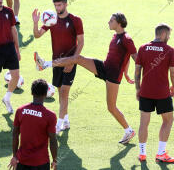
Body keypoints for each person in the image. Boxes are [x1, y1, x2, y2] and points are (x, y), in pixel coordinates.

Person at [35, 12, 137, 144]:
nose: (108, 22)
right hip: (104, 67)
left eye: (111, 20)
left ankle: (129, 130)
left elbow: (135, 57)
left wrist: (137, 76)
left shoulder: (127, 39)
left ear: (119, 23)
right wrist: (126, 73)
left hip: (112, 76)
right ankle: (45, 64)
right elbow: (126, 57)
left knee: (111, 107)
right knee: (78, 58)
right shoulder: (116, 36)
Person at [32, 0, 84, 135]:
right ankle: (66, 120)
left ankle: (58, 125)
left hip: (69, 62)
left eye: (59, 5)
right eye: (55, 5)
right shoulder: (52, 19)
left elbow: (81, 42)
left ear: (66, 4)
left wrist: (73, 61)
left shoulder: (75, 20)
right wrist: (36, 22)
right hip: (56, 63)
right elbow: (37, 35)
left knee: (64, 92)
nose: (57, 8)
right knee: (61, 94)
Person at [135, 23, 174, 162]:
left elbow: (137, 71)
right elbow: (173, 72)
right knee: (168, 120)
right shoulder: (169, 50)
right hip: (162, 93)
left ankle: (142, 153)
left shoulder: (143, 48)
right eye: (169, 35)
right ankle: (160, 153)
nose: (169, 38)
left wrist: (137, 88)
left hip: (145, 92)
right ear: (163, 34)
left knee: (144, 123)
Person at [8, 79, 57, 170]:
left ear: (31, 93)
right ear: (46, 94)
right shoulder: (50, 115)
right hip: (41, 162)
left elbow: (15, 134)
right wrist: (54, 160)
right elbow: (53, 140)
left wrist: (15, 156)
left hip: (21, 160)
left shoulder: (20, 111)